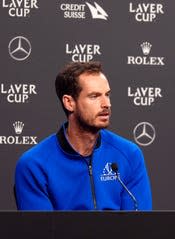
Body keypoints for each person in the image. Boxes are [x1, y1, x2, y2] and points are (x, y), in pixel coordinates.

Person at [14, 61, 152, 210]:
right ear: (69, 103)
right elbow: (42, 231)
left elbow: (139, 227)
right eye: (94, 96)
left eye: (107, 95)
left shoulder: (129, 154)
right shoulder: (34, 164)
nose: (106, 104)